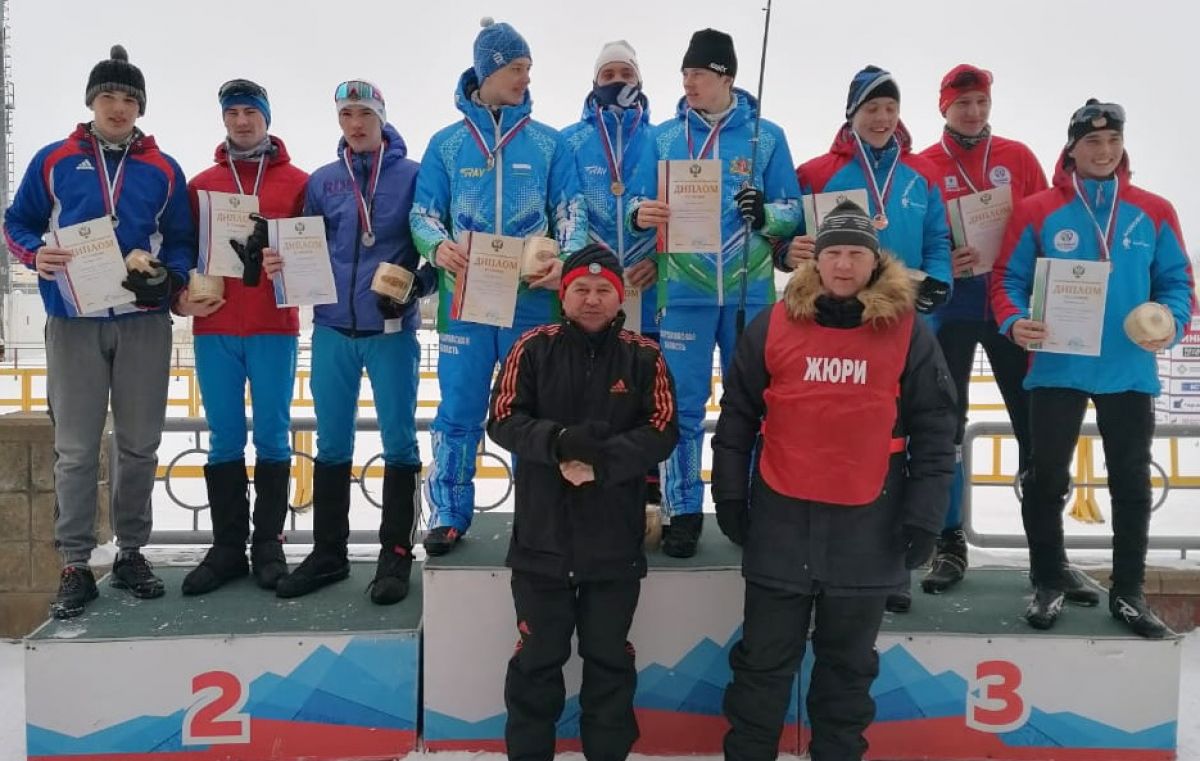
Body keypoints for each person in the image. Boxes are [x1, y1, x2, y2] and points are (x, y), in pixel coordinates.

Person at [713, 200, 955, 761]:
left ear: (875, 261)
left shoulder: (908, 332)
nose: (844, 265)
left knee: (846, 675)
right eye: (834, 253)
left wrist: (925, 517)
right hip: (782, 524)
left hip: (869, 529)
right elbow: (737, 416)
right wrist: (728, 493)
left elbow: (937, 431)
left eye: (856, 254)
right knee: (761, 669)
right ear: (815, 261)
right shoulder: (773, 323)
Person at [3, 45, 194, 618]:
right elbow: (17, 222)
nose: (118, 107)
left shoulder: (163, 169)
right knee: (76, 448)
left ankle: (131, 551)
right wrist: (34, 254)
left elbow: (181, 240)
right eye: (108, 96)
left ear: (141, 108)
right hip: (73, 320)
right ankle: (75, 563)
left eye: (130, 99)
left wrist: (170, 279)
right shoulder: (54, 159)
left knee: (139, 444)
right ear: (92, 102)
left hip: (142, 323)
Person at [991, 100, 1194, 638]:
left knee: (1131, 481)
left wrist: (1172, 321)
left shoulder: (1154, 210)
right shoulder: (1037, 210)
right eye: (1092, 142)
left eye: (1113, 141)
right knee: (1046, 478)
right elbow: (1007, 279)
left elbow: (1177, 282)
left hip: (1128, 367)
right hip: (1057, 363)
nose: (1104, 151)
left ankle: (1128, 593)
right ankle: (1047, 580)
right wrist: (1013, 322)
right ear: (1072, 149)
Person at [486, 245, 679, 761]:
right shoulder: (532, 347)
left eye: (603, 291)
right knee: (537, 660)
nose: (592, 300)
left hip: (613, 544)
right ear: (563, 294)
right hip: (542, 542)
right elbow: (502, 418)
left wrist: (602, 462)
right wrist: (558, 443)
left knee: (609, 660)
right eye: (581, 289)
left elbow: (663, 429)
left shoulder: (644, 355)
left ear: (619, 298)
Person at [913, 65, 1098, 601]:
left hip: (1012, 313)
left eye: (981, 102)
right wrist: (944, 258)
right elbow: (921, 239)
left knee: (1035, 427)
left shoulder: (1017, 157)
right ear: (944, 108)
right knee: (945, 427)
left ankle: (1048, 553)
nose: (973, 112)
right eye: (962, 103)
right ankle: (949, 543)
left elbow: (1048, 224)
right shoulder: (925, 165)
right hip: (950, 313)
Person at [411, 18, 587, 556]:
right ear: (488, 70)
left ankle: (537, 514)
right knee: (459, 410)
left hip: (531, 302)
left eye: (528, 68)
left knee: (532, 412)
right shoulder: (446, 145)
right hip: (464, 302)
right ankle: (448, 513)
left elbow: (572, 212)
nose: (525, 78)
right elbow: (423, 214)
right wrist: (437, 248)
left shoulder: (550, 143)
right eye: (516, 67)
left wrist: (565, 261)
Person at [632, 28, 800, 558]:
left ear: (726, 77)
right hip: (684, 293)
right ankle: (682, 510)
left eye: (699, 74)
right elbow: (635, 202)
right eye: (685, 74)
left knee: (752, 402)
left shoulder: (765, 137)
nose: (689, 83)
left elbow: (793, 209)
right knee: (681, 405)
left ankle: (750, 503)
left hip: (750, 294)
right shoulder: (663, 137)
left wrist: (766, 214)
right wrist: (641, 213)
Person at [793, 65, 953, 612]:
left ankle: (892, 570)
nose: (882, 118)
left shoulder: (921, 174)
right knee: (842, 437)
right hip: (838, 326)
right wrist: (784, 249)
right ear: (852, 114)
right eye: (871, 109)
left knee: (898, 441)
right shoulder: (818, 171)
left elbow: (937, 240)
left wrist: (939, 281)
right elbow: (794, 239)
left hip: (903, 325)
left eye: (890, 108)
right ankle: (826, 559)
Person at [271, 80, 433, 605]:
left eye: (364, 113)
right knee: (331, 443)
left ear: (382, 117)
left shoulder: (415, 176)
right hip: (332, 329)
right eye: (346, 115)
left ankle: (396, 554)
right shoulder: (323, 181)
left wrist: (418, 287)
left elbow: (438, 247)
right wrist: (275, 259)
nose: (356, 124)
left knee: (400, 442)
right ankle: (329, 553)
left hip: (391, 331)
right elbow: (304, 246)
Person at [178, 79, 309, 596]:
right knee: (224, 437)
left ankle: (269, 545)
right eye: (232, 112)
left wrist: (288, 261)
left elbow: (314, 253)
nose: (241, 121)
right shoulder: (201, 184)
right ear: (223, 119)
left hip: (274, 326)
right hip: (215, 326)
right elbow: (180, 251)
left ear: (266, 118)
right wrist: (179, 297)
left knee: (274, 435)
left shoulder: (297, 183)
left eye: (250, 112)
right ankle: (228, 548)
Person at [561, 40, 663, 504]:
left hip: (648, 284)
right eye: (608, 74)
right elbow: (566, 210)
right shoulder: (570, 140)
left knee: (646, 389)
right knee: (592, 390)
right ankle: (587, 488)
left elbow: (681, 213)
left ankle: (649, 492)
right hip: (592, 289)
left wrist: (660, 260)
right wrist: (588, 269)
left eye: (626, 73)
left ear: (639, 80)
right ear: (593, 82)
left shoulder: (662, 139)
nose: (617, 81)